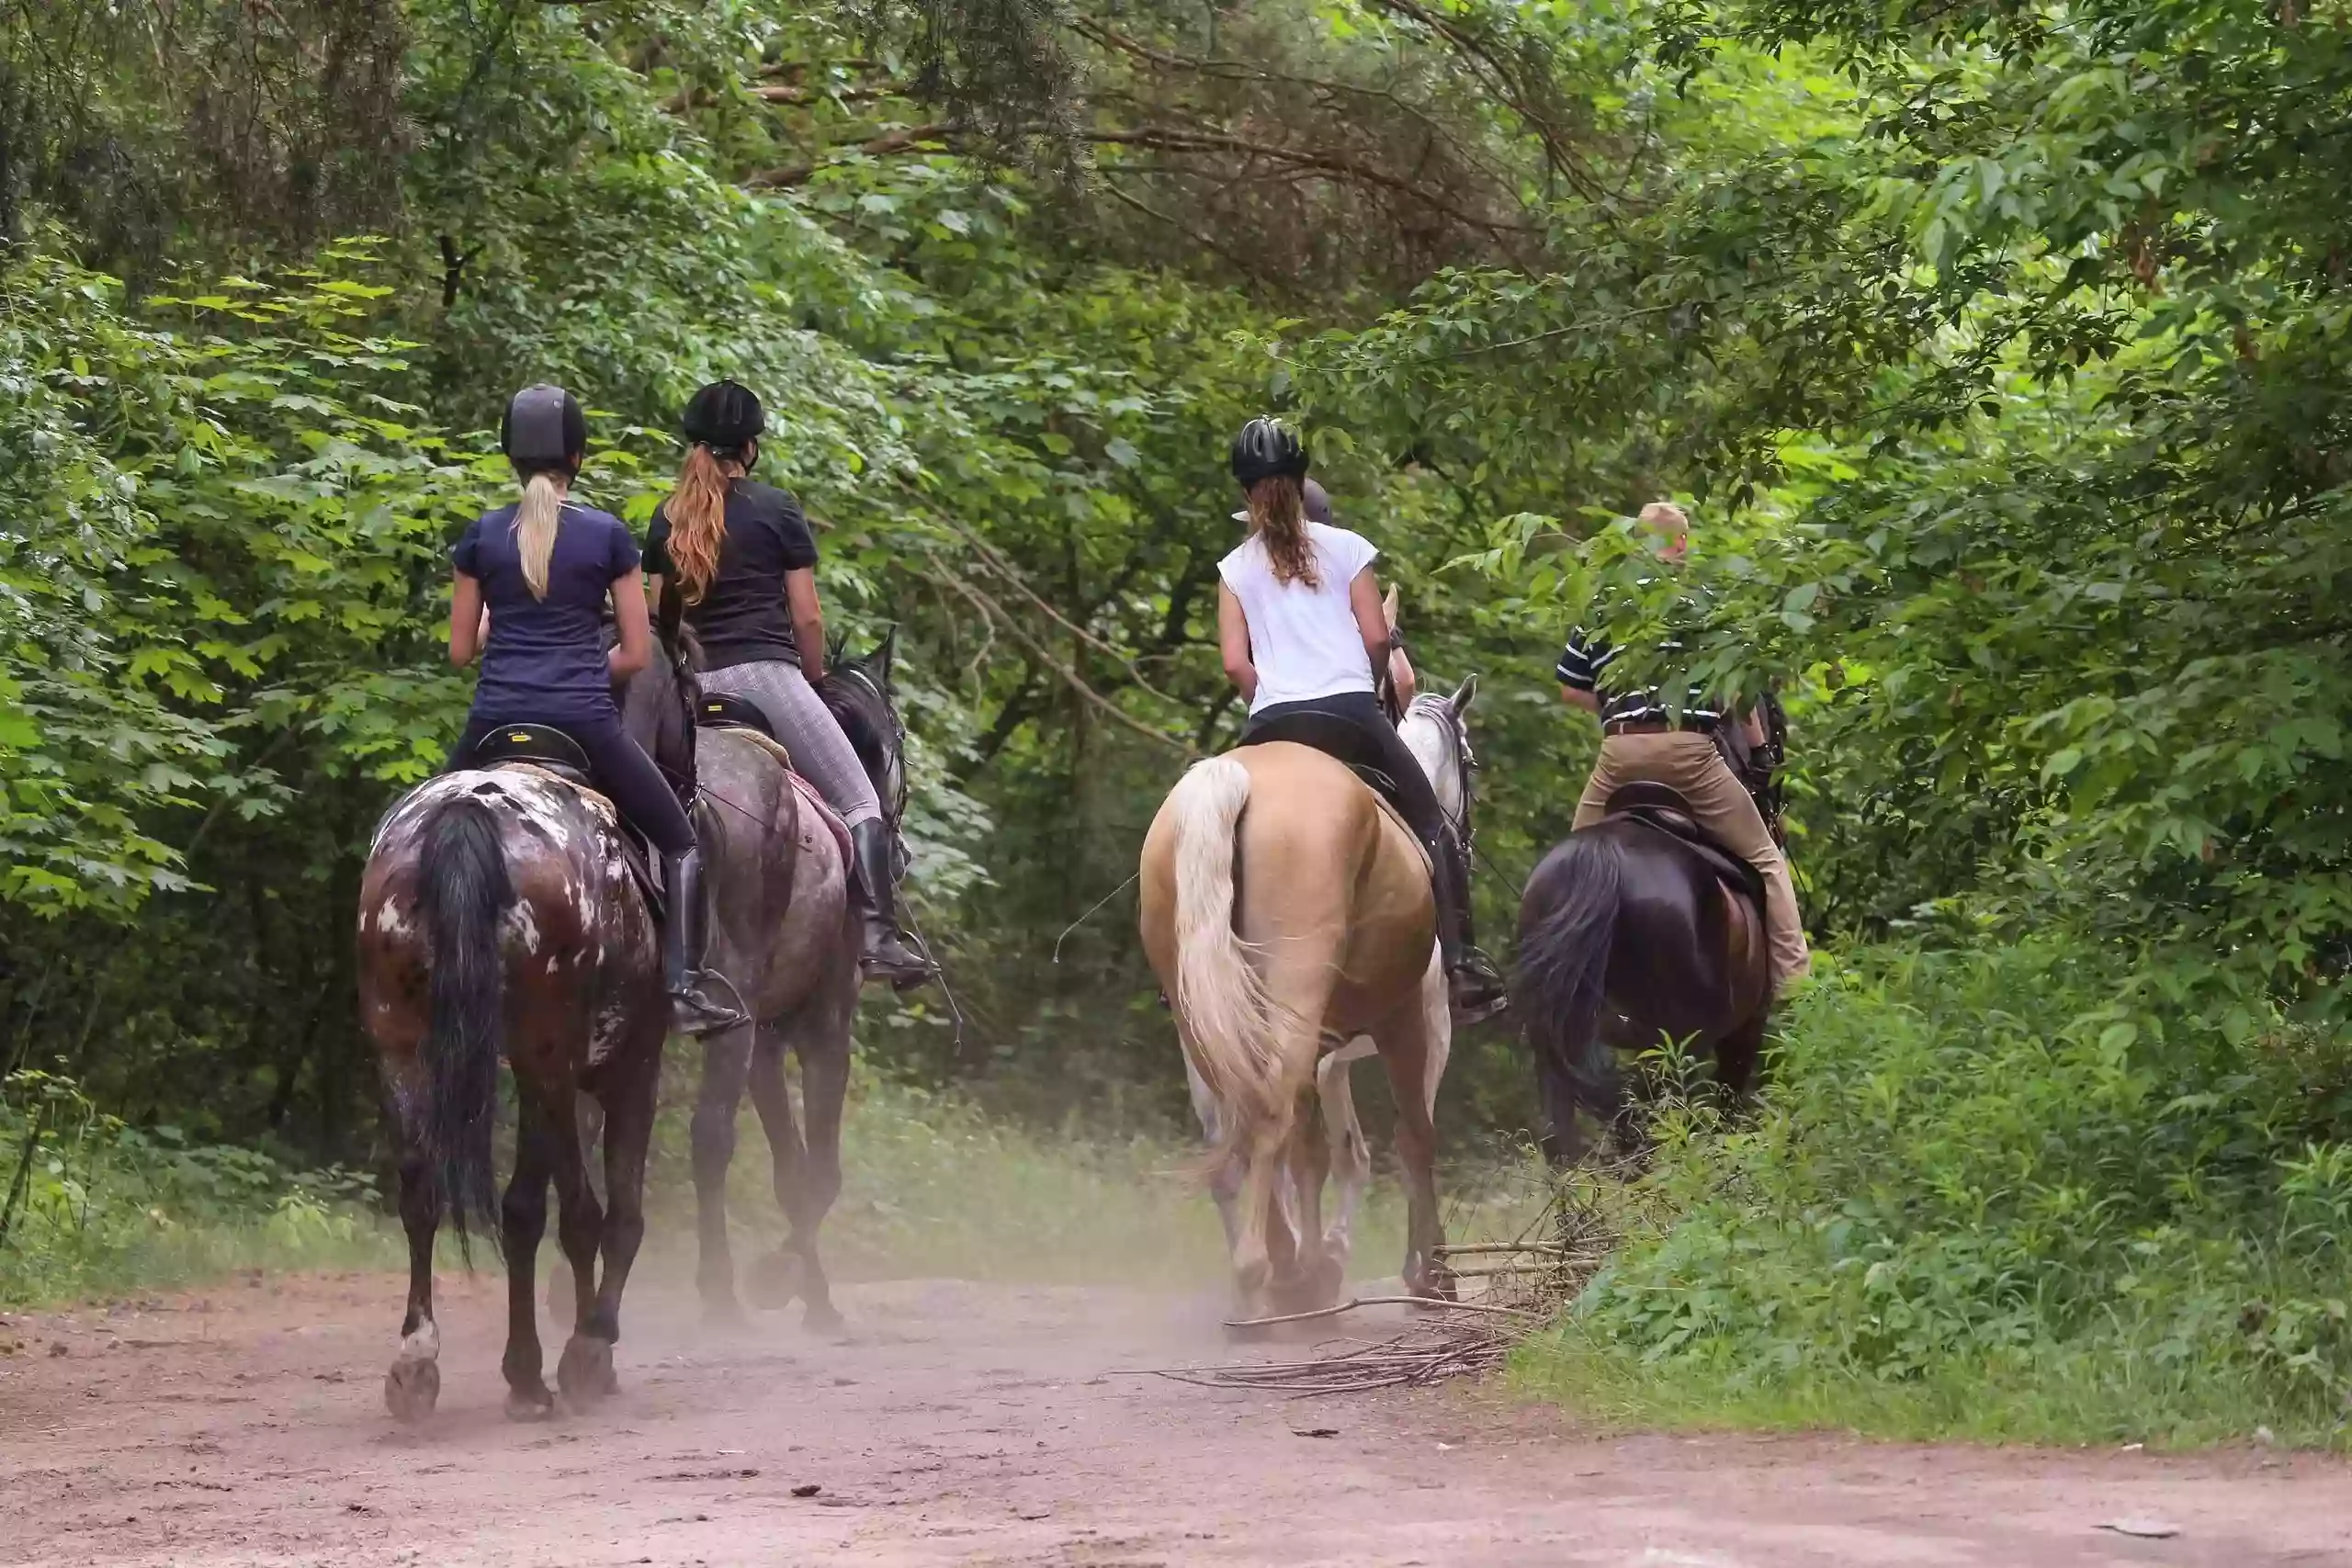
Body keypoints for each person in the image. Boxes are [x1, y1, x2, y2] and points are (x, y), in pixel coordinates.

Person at [446, 384, 746, 1034]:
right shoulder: (608, 536)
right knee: (681, 840)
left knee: (423, 827)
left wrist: (502, 627)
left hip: (492, 721)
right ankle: (686, 986)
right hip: (583, 723)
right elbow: (637, 655)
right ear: (578, 458)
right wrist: (581, 669)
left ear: (509, 459)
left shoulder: (480, 537)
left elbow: (460, 651)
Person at [641, 379, 933, 989]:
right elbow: (807, 616)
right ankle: (880, 940)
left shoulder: (668, 516)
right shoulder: (776, 508)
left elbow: (658, 619)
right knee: (860, 800)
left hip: (693, 688)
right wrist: (815, 679)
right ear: (749, 447)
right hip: (765, 676)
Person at [1217, 416, 1507, 1022]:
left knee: (1214, 823)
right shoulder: (1348, 549)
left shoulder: (1234, 567)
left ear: (1246, 493)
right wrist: (1360, 681)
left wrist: (1268, 700)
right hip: (1351, 713)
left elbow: (1234, 665)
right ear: (1300, 481)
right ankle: (1461, 966)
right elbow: (1378, 637)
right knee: (1432, 820)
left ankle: (1191, 964)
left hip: (1272, 720)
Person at [1555, 500, 1812, 992]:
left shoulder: (1606, 605)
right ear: (1682, 544)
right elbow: (1739, 696)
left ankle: (1556, 991)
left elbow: (1570, 688)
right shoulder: (1707, 602)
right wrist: (1758, 756)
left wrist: (1618, 708)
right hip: (1691, 756)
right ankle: (1796, 991)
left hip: (1620, 758)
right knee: (1766, 860)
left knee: (1571, 865)